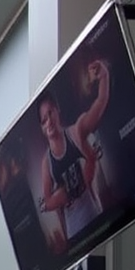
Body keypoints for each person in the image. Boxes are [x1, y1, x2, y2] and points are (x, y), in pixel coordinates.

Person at [37, 58, 111, 245]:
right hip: (75, 235)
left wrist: (104, 77)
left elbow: (100, 105)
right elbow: (47, 202)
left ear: (57, 110)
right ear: (41, 128)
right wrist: (60, 197)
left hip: (97, 220)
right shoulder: (47, 163)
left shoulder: (75, 132)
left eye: (50, 113)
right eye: (44, 120)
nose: (49, 122)